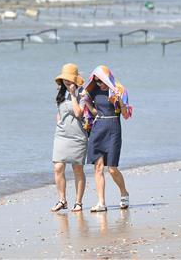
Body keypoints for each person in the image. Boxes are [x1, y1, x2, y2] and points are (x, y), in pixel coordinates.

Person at [84, 65, 130, 212]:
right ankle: (101, 203)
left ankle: (124, 192)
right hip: (98, 129)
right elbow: (94, 111)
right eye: (96, 81)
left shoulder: (119, 90)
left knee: (112, 168)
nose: (99, 84)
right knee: (98, 168)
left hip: (113, 128)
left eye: (101, 81)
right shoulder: (93, 91)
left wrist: (120, 101)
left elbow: (125, 114)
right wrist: (86, 104)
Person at [51, 63, 88, 212]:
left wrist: (73, 94)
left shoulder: (83, 93)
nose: (66, 81)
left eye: (69, 79)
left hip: (78, 135)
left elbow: (79, 113)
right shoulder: (60, 93)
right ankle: (62, 200)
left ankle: (78, 202)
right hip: (61, 134)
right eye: (64, 79)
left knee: (77, 168)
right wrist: (59, 119)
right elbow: (59, 110)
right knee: (58, 167)